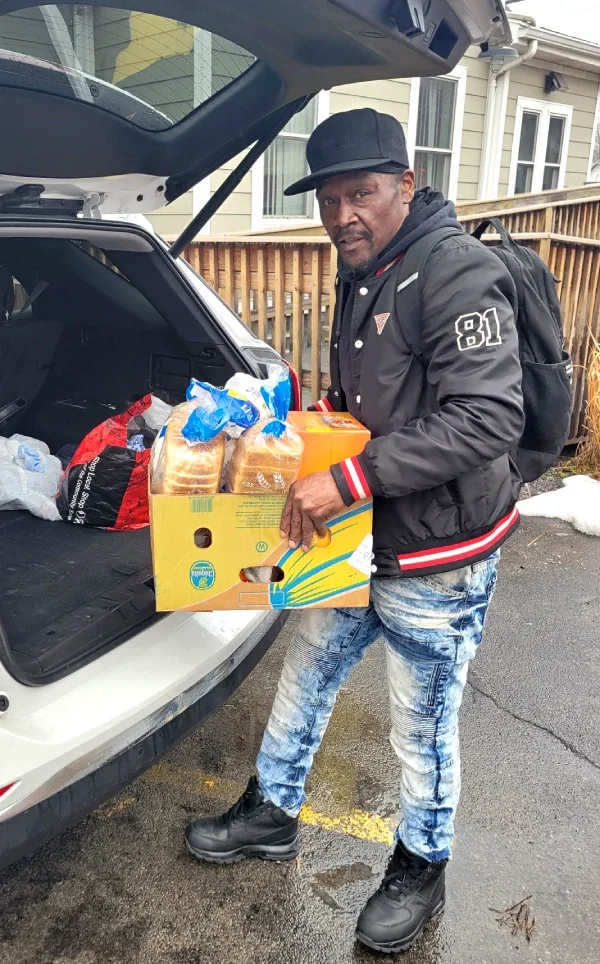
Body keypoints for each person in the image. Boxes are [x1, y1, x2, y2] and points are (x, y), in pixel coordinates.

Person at [185, 109, 524, 954]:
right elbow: (378, 399)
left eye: (361, 193)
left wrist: (346, 478)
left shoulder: (455, 270)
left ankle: (422, 864)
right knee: (307, 671)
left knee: (422, 723)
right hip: (361, 539)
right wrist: (313, 432)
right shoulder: (368, 268)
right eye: (330, 199)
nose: (342, 215)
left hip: (438, 553)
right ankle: (272, 810)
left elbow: (488, 417)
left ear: (406, 184)